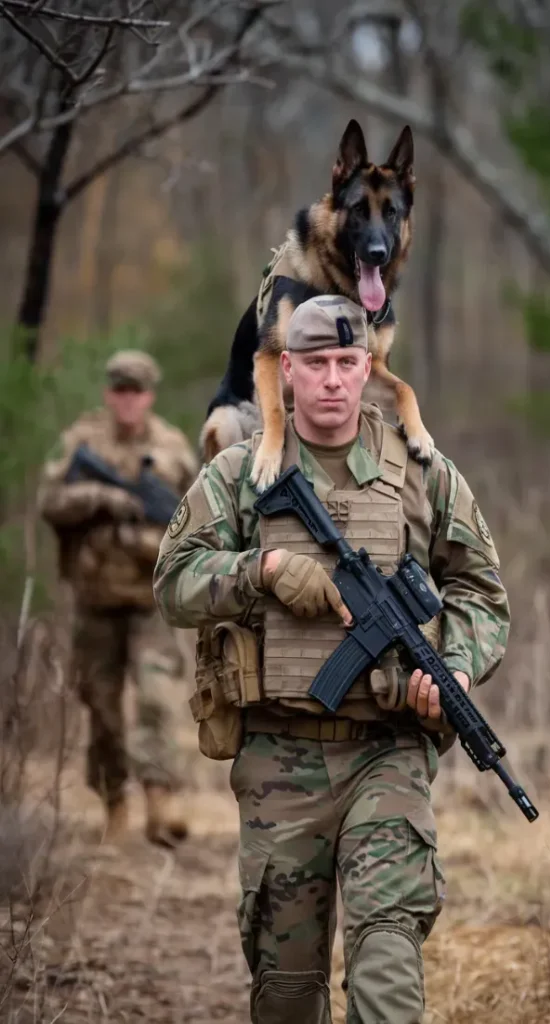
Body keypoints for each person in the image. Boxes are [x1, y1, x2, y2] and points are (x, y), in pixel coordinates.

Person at [153, 297, 510, 1024]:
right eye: (315, 364)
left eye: (348, 364)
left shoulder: (421, 472)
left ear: (368, 368)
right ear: (286, 369)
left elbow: (481, 591)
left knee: (386, 967)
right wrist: (265, 568)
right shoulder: (240, 475)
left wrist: (460, 667)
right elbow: (173, 582)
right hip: (279, 762)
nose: (332, 381)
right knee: (285, 992)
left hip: (389, 754)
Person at [38, 350, 199, 847]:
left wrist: (144, 541)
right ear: (110, 394)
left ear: (149, 395)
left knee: (157, 697)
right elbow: (50, 503)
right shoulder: (81, 442)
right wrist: (101, 499)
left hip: (151, 599)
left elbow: (192, 524)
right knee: (102, 709)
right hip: (95, 600)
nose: (128, 401)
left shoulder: (173, 449)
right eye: (120, 391)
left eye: (137, 392)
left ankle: (159, 797)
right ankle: (114, 805)